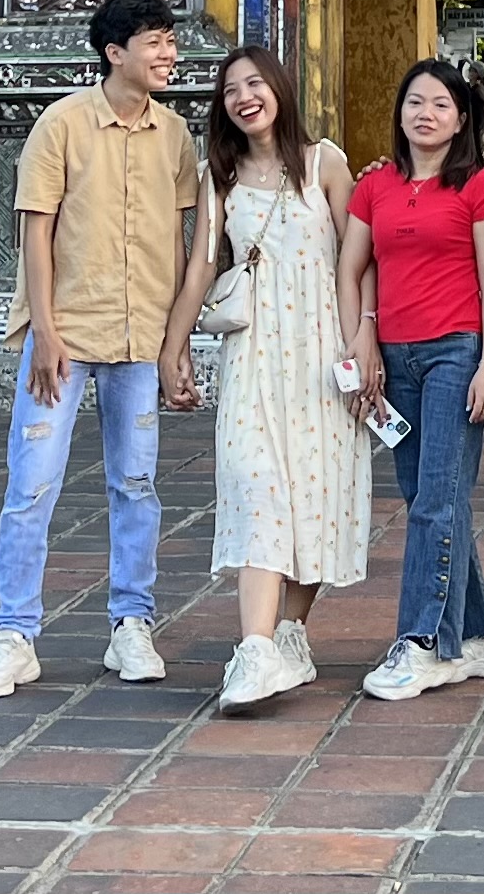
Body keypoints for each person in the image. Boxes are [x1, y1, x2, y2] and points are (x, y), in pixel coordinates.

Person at [0, 0, 199, 699]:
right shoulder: (61, 124)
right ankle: (14, 634)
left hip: (140, 338)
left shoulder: (176, 136)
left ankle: (131, 623)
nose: (169, 53)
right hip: (64, 338)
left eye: (169, 40)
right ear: (114, 52)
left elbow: (185, 242)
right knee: (31, 483)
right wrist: (44, 330)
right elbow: (34, 233)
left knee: (136, 484)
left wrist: (175, 344)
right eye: (155, 41)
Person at [167, 43, 369, 713]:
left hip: (322, 355)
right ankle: (253, 652)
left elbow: (358, 260)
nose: (244, 96)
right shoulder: (217, 173)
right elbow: (201, 265)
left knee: (316, 498)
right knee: (256, 489)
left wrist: (364, 340)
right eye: (230, 90)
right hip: (254, 357)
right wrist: (176, 346)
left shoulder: (325, 162)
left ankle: (289, 634)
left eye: (254, 83)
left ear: (278, 88)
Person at [340, 60, 484, 701]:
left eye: (441, 104)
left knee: (437, 499)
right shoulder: (375, 185)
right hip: (394, 356)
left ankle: (421, 643)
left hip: (455, 353)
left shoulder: (478, 187)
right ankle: (479, 635)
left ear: (461, 118)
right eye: (415, 102)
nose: (426, 114)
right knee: (427, 500)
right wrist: (364, 336)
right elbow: (351, 268)